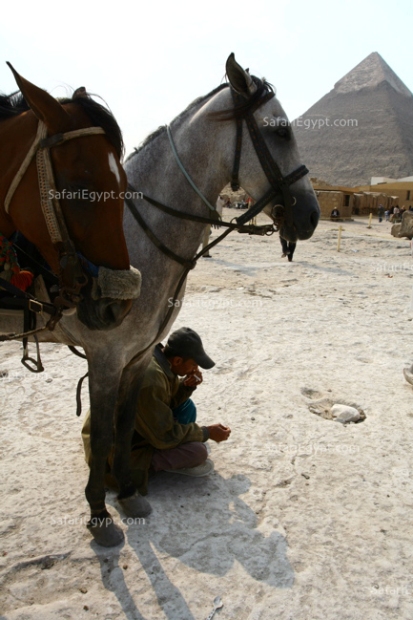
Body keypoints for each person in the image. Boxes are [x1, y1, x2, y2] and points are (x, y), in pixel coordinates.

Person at [82, 328, 231, 496]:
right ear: (177, 360)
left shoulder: (158, 357)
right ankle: (148, 466)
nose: (194, 369)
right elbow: (164, 437)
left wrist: (187, 387)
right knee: (197, 452)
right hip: (111, 456)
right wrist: (206, 432)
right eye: (193, 364)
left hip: (122, 429)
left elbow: (164, 401)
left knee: (186, 408)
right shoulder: (151, 378)